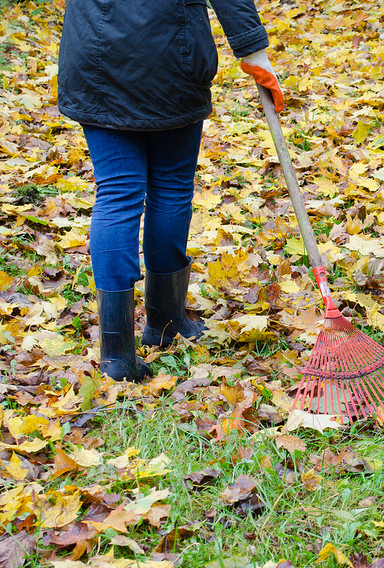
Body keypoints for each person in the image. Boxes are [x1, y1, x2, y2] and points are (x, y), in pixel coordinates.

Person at [57, 0, 284, 381]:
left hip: (93, 55)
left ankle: (118, 355)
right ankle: (165, 322)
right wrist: (253, 50)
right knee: (170, 188)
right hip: (169, 57)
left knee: (117, 193)